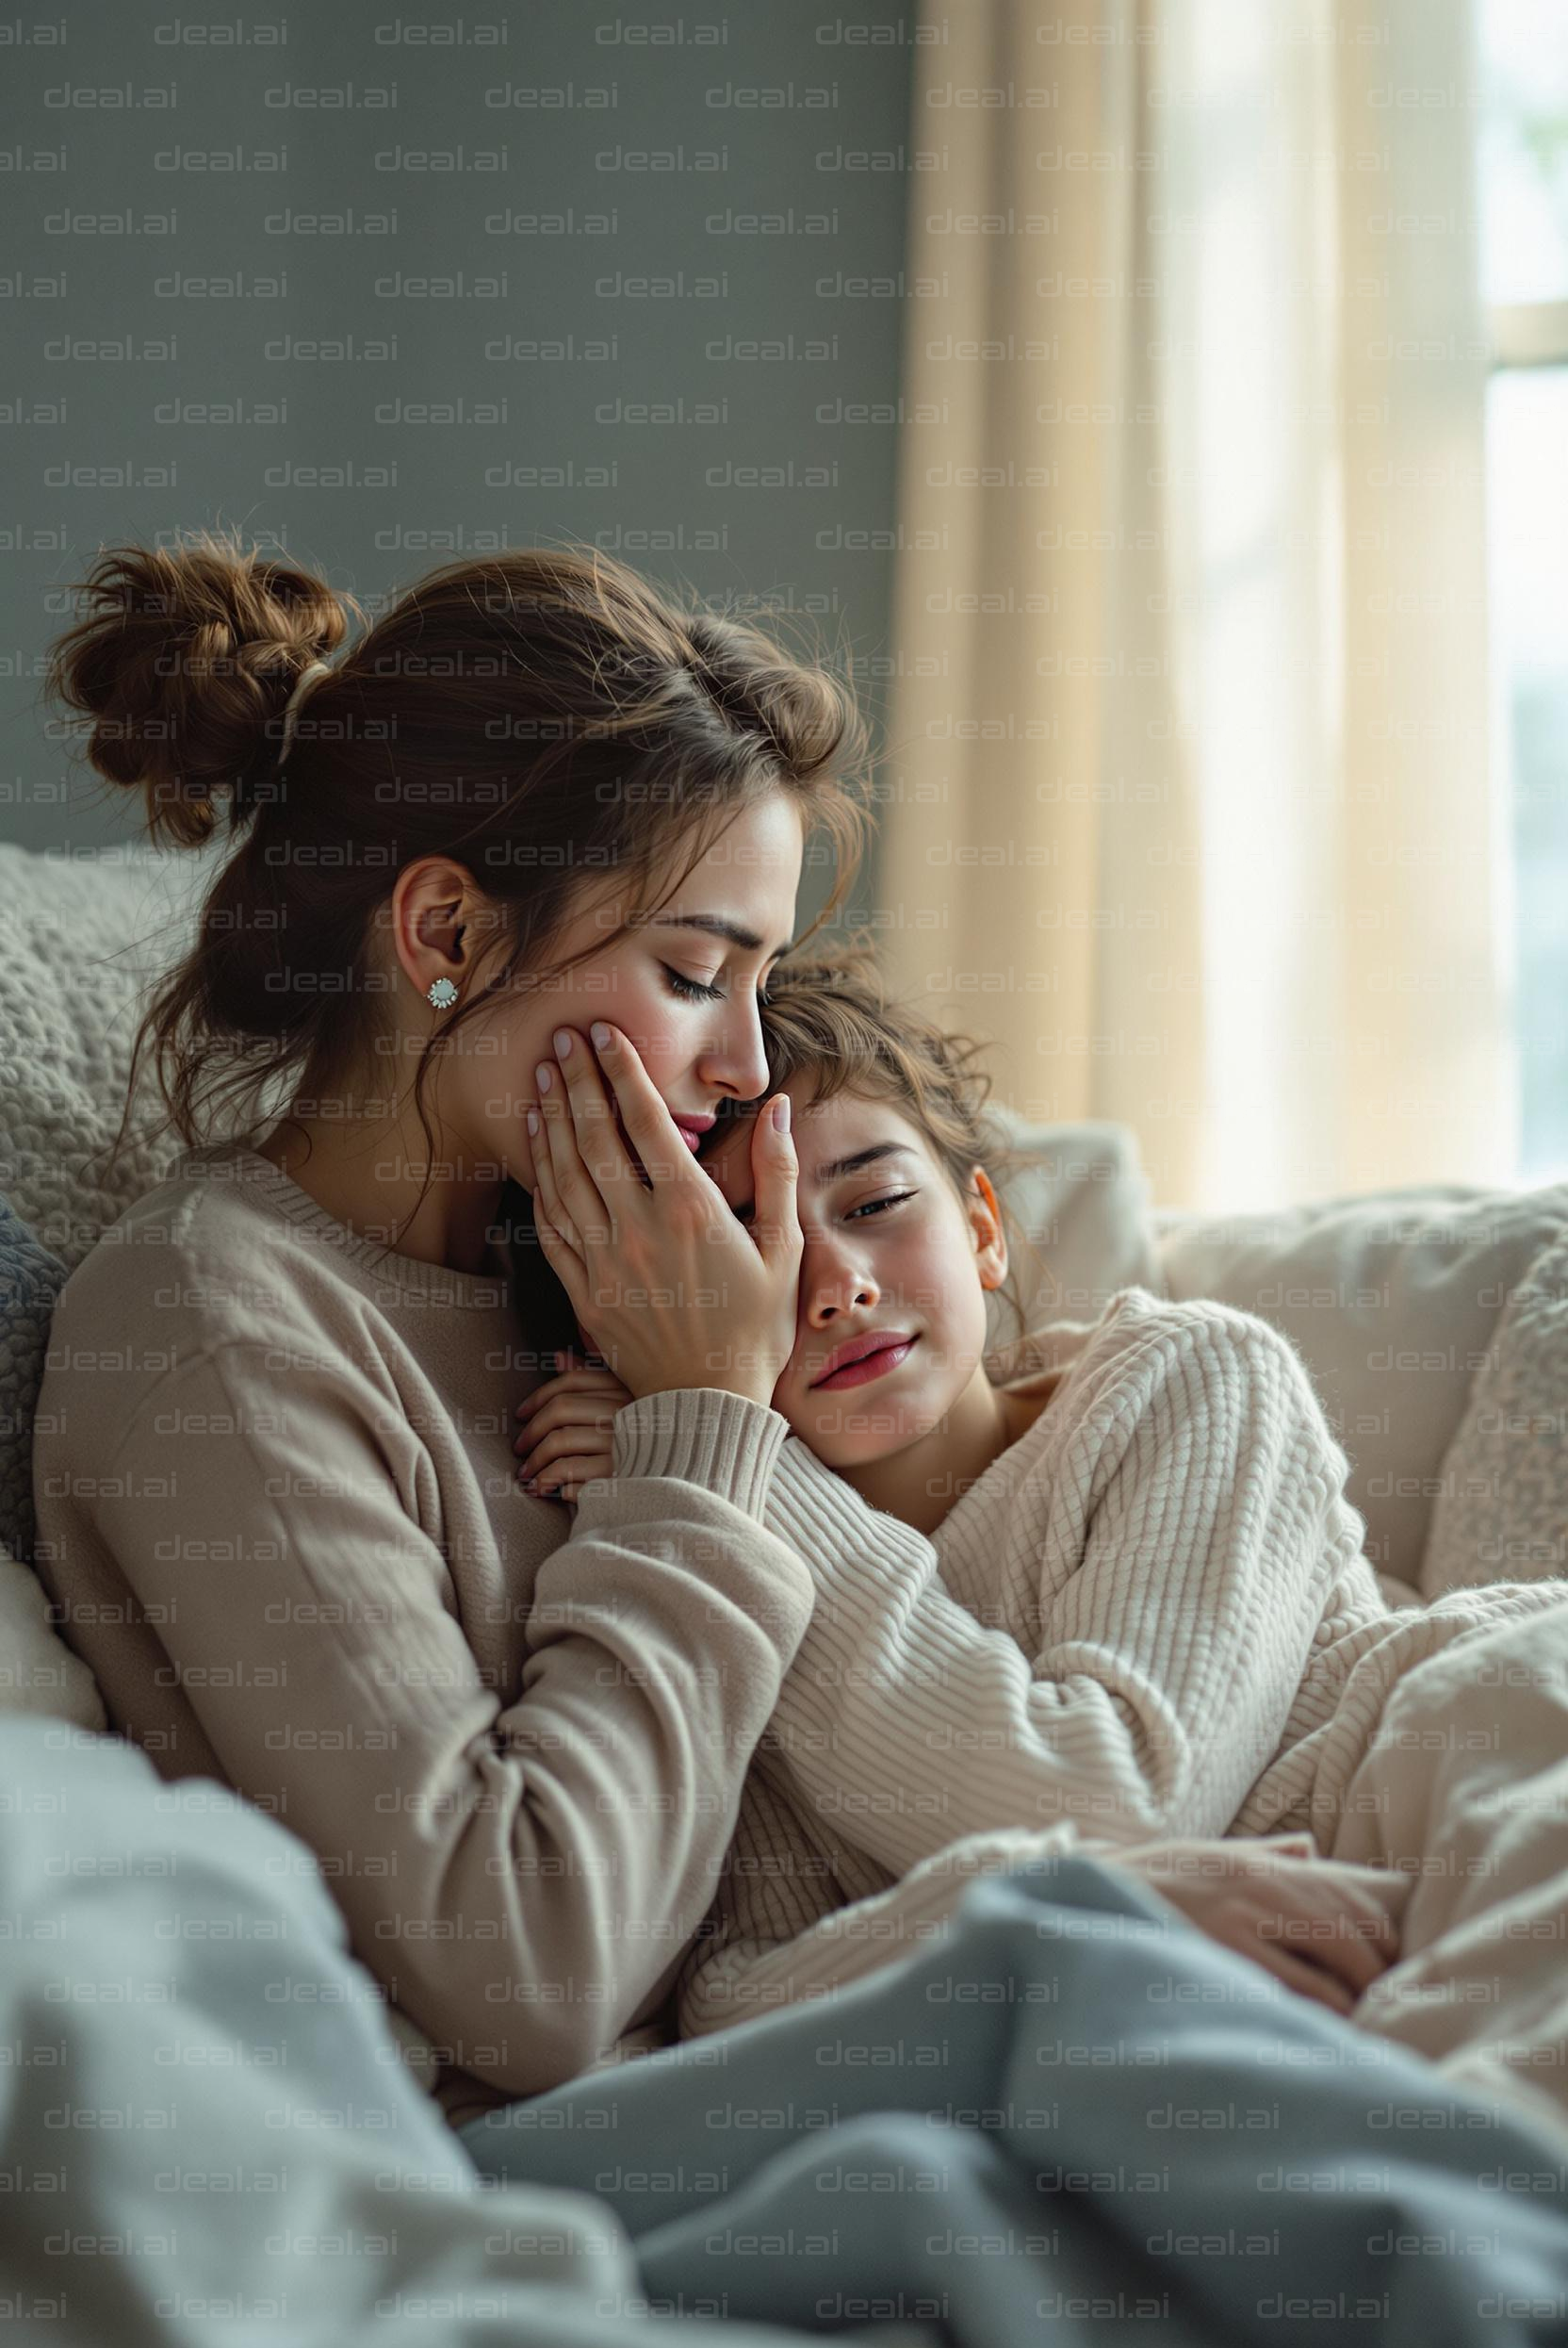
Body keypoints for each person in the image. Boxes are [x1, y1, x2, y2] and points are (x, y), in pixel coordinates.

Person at [30, 527, 871, 2133]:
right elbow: (527, 1975)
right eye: (696, 972)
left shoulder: (581, 1282)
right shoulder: (211, 1324)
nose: (746, 1067)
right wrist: (703, 1429)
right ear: (441, 936)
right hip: (528, 2156)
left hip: (786, 2028)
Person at [514, 937, 1568, 2120]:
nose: (836, 1284)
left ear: (980, 1231)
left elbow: (1119, 1801)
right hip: (1283, 1998)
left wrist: (744, 1463)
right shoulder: (735, 1593)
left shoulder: (1186, 1380)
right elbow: (742, 2003)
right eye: (751, 1249)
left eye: (873, 1204)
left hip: (1475, 1752)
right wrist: (1055, 1915)